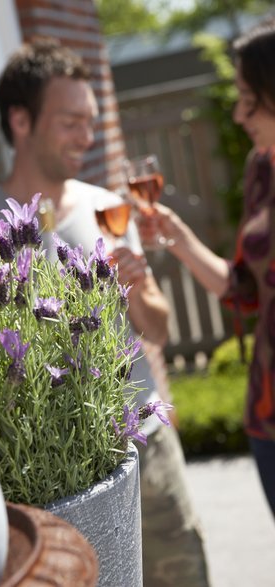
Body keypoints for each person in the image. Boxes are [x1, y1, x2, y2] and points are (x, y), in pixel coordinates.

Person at [0, 38, 211, 586]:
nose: (87, 136)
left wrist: (139, 287)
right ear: (20, 121)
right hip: (60, 471)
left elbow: (160, 328)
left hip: (143, 441)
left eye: (90, 121)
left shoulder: (106, 206)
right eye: (71, 121)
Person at [140, 18, 275, 518]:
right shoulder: (262, 167)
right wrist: (176, 236)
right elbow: (246, 290)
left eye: (249, 97)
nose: (239, 114)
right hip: (268, 416)